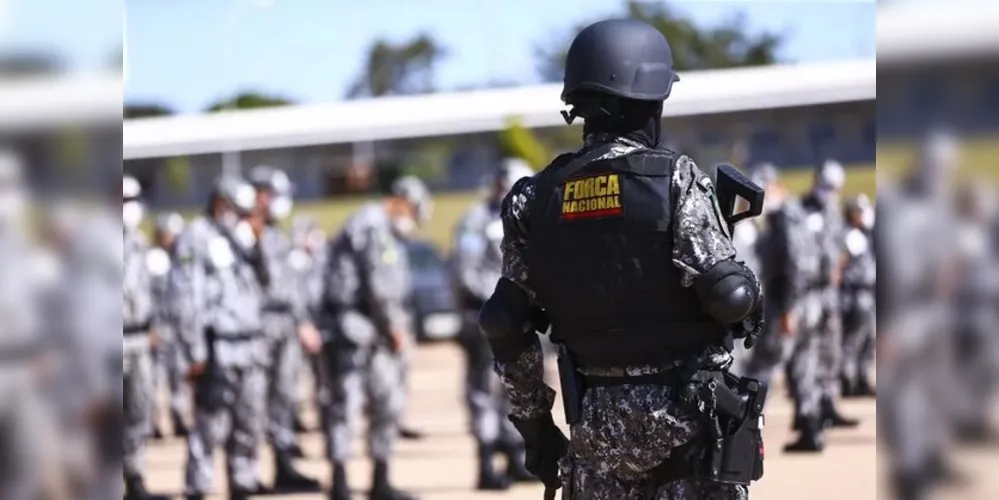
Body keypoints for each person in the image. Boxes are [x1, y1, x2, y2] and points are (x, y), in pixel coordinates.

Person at [477, 19, 765, 499]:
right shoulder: (677, 180)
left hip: (595, 435)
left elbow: (504, 321)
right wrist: (751, 294)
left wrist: (535, 429)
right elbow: (729, 295)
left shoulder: (535, 198)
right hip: (688, 431)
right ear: (652, 102)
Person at [319, 176, 431, 500]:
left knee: (387, 405)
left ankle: (379, 480)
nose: (411, 219)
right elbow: (379, 285)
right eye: (412, 210)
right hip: (353, 329)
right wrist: (395, 327)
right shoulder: (372, 225)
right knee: (345, 407)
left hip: (374, 331)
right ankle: (340, 483)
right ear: (401, 199)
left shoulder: (382, 228)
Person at [878, 129, 964, 500]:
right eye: (935, 165)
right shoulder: (895, 205)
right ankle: (909, 471)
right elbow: (892, 266)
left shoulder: (941, 202)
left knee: (940, 388)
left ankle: (934, 456)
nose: (939, 172)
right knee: (906, 393)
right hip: (904, 312)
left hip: (937, 310)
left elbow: (950, 252)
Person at [171, 176, 268, 500]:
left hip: (250, 346)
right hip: (217, 345)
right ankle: (198, 488)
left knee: (249, 424)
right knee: (209, 426)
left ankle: (243, 484)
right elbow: (187, 298)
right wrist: (195, 351)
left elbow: (265, 285)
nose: (245, 218)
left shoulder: (244, 240)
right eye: (239, 211)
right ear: (220, 205)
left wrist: (259, 243)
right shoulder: (196, 237)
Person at [451, 158, 537, 490]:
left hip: (517, 322)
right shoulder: (475, 221)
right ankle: (486, 464)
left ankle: (515, 457)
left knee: (513, 391)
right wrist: (501, 300)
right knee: (485, 393)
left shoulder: (522, 221)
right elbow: (465, 273)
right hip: (486, 319)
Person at [247, 166, 322, 492]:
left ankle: (284, 465)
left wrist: (303, 321)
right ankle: (245, 474)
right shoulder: (244, 233)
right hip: (258, 327)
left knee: (285, 398)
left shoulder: (277, 234)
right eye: (275, 195)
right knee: (252, 402)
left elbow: (290, 285)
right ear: (260, 195)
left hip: (286, 325)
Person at [800, 160, 859, 430]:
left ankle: (828, 405)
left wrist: (838, 266)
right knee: (809, 352)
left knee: (831, 352)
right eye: (826, 186)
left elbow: (842, 245)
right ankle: (808, 413)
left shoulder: (834, 210)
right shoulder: (802, 211)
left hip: (829, 293)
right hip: (809, 293)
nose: (830, 191)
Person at [122, 176, 170, 500]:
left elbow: (150, 292)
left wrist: (156, 327)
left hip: (140, 338)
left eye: (134, 200)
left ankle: (135, 481)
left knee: (140, 409)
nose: (132, 208)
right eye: (125, 201)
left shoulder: (139, 243)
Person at [149, 213, 190, 438]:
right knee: (156, 378)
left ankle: (178, 417)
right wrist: (151, 327)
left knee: (179, 377)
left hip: (178, 328)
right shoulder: (153, 259)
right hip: (159, 327)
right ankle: (153, 421)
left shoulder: (180, 259)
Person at [838, 194, 877, 398]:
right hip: (853, 294)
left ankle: (862, 378)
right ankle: (846, 379)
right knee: (852, 339)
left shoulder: (868, 234)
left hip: (870, 294)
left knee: (870, 338)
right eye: (859, 211)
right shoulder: (846, 235)